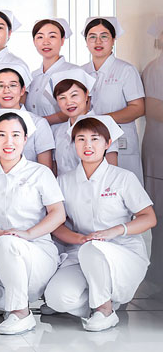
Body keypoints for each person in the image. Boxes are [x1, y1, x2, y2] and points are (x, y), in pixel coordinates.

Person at [0, 111, 66, 335]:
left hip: (36, 251)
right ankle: (15, 297)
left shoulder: (40, 172)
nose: (9, 141)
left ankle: (20, 312)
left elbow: (58, 214)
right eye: (2, 135)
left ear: (25, 139)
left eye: (16, 135)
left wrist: (28, 234)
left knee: (6, 243)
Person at [44, 116, 157, 331]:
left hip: (122, 251)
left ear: (107, 144)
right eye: (81, 139)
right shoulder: (64, 181)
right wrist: (79, 238)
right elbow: (56, 223)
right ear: (74, 144)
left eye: (95, 139)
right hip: (81, 250)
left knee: (94, 248)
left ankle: (104, 310)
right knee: (57, 299)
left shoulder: (123, 178)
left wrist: (115, 231)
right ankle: (103, 297)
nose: (88, 145)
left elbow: (149, 217)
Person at [80, 16, 145, 182]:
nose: (98, 41)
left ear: (113, 40)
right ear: (86, 41)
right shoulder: (80, 73)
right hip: (89, 142)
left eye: (104, 36)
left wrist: (99, 121)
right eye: (92, 37)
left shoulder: (126, 70)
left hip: (121, 141)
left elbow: (138, 108)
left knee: (123, 188)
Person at [0, 65, 55, 169]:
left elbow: (45, 169)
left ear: (22, 90)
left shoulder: (39, 124)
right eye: (1, 86)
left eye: (13, 85)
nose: (6, 91)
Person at [49, 69, 119, 176]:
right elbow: (56, 169)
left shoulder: (105, 125)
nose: (69, 102)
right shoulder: (58, 131)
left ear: (86, 95)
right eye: (62, 98)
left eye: (74, 95)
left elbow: (112, 170)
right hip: (63, 185)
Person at [26, 18, 78, 125]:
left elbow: (77, 109)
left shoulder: (73, 72)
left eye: (52, 36)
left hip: (62, 133)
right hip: (34, 134)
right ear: (34, 42)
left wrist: (38, 123)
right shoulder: (33, 76)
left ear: (62, 40)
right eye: (40, 37)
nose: (46, 42)